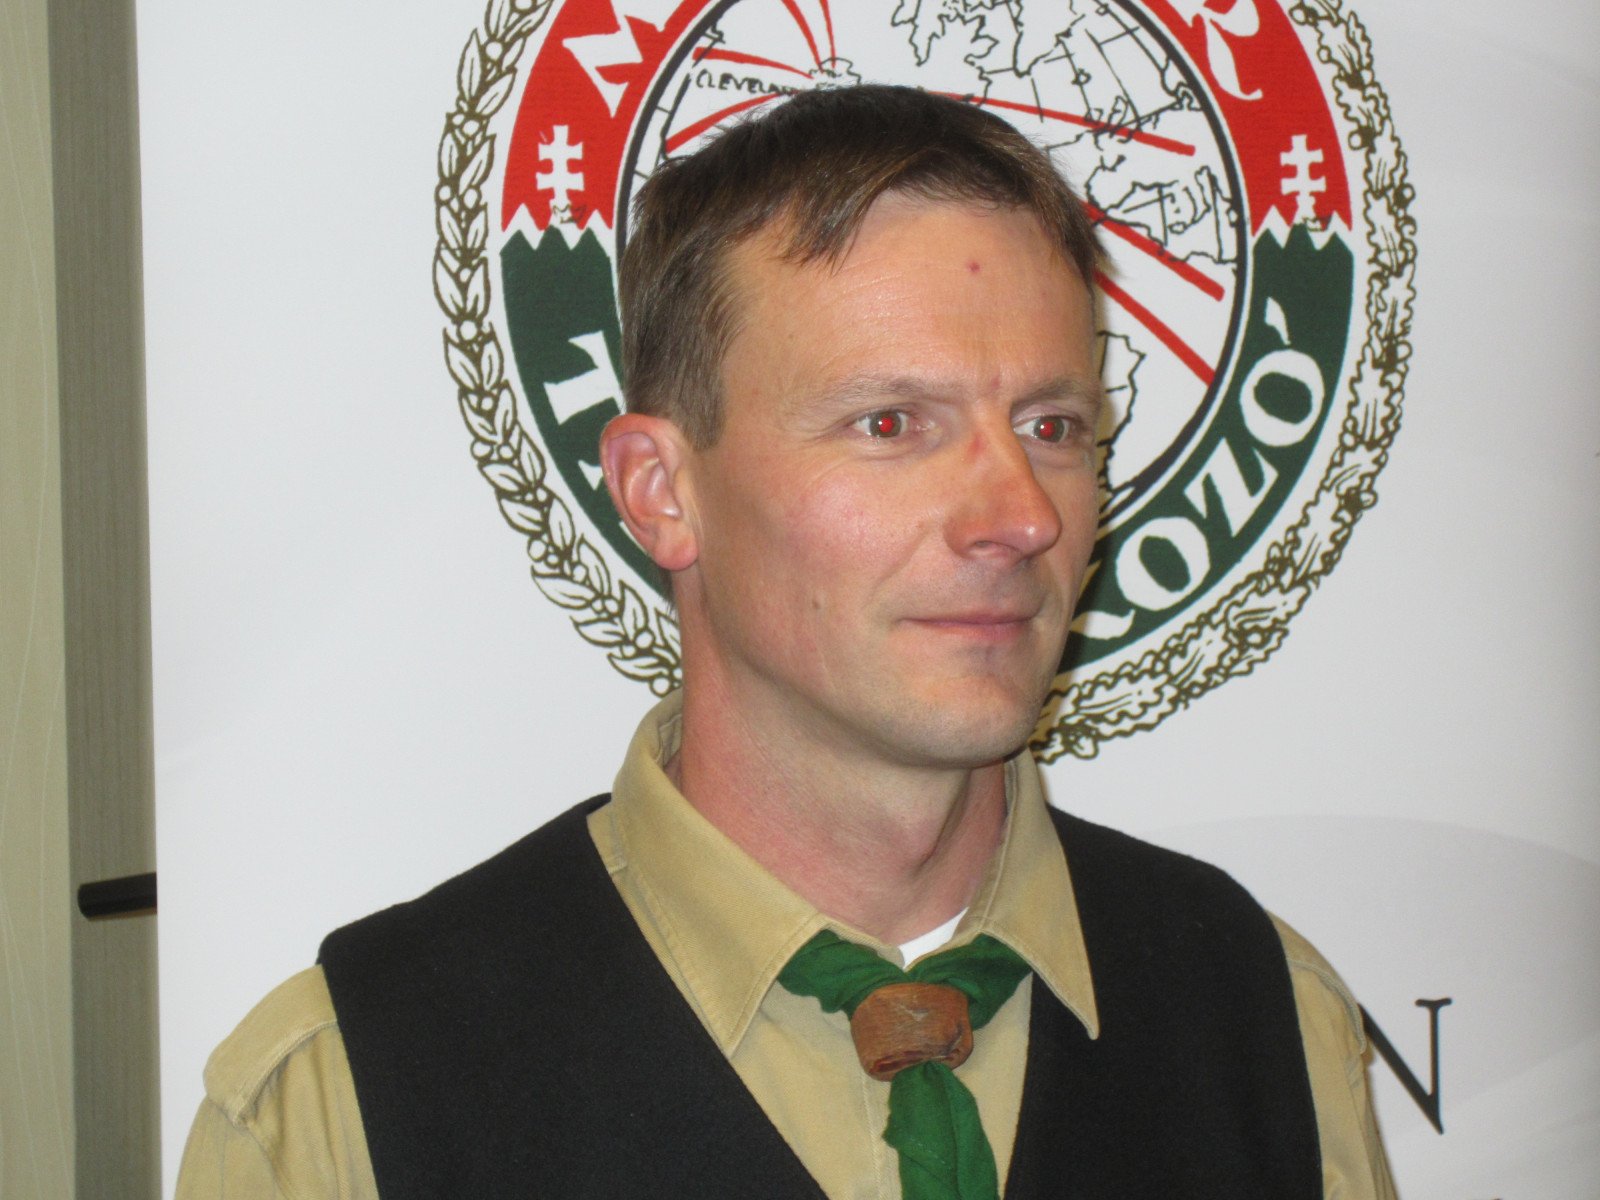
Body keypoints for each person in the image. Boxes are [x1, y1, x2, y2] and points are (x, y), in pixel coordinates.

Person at [176, 84, 1395, 1199]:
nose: (1020, 516)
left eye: (1054, 426)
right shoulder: (348, 1106)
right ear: (661, 491)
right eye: (890, 423)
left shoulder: (1268, 1026)